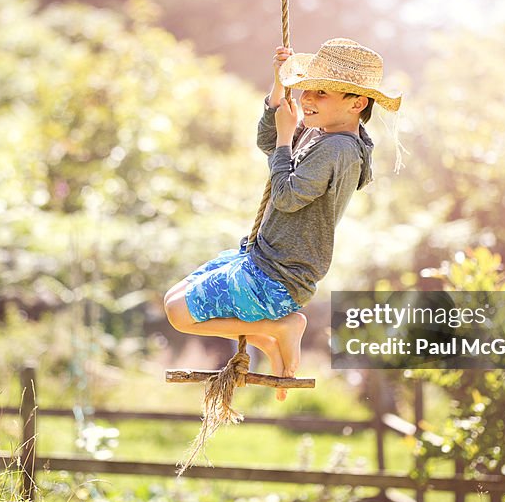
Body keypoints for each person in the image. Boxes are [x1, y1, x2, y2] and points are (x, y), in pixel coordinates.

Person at [164, 38, 401, 400]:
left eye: (321, 93)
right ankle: (268, 335)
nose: (307, 99)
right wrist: (279, 86)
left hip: (278, 276)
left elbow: (287, 197)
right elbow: (267, 140)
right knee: (173, 298)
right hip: (262, 258)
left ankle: (283, 326)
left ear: (357, 102)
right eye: (307, 89)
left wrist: (288, 138)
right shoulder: (322, 134)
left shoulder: (339, 149)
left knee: (179, 314)